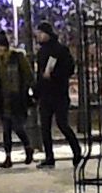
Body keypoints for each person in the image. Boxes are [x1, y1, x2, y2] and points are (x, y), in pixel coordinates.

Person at [32, 23, 82, 169]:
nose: (38, 36)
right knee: (45, 127)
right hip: (46, 95)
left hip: (59, 93)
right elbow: (39, 74)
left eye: (40, 33)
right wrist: (37, 91)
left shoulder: (60, 50)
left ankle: (76, 151)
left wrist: (53, 75)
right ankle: (49, 156)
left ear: (47, 34)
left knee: (62, 124)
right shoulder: (41, 52)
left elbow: (69, 68)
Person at [0, 38, 36, 167]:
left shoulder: (17, 58)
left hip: (17, 97)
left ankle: (28, 147)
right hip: (3, 98)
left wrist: (29, 90)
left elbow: (28, 75)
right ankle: (8, 157)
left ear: (4, 47)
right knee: (6, 130)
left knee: (17, 126)